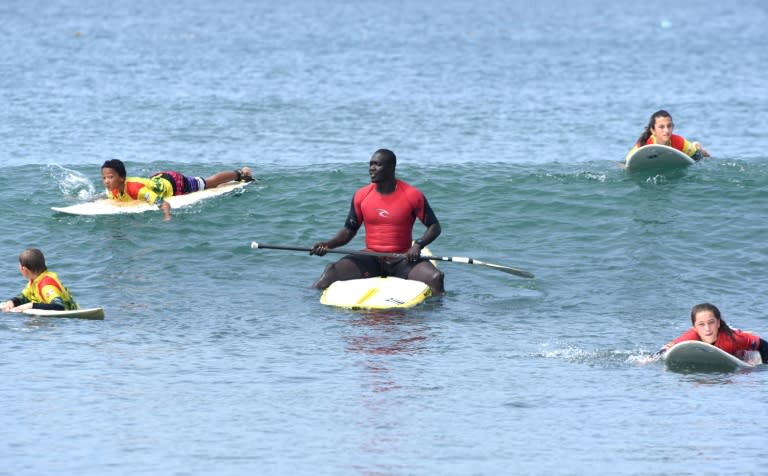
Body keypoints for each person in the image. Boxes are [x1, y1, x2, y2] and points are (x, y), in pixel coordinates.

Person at [310, 149, 445, 295]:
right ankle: (309, 307)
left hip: (401, 259)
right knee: (331, 272)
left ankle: (438, 314)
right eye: (371, 164)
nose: (371, 168)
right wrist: (328, 245)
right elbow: (348, 231)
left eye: (377, 164)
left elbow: (434, 226)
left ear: (391, 167)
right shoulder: (361, 195)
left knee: (435, 278)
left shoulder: (412, 195)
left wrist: (418, 245)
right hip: (371, 258)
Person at [100, 159, 253, 221]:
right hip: (158, 178)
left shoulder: (137, 190)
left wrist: (167, 216)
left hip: (175, 184)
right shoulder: (112, 189)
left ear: (121, 178)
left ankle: (241, 173)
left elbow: (163, 203)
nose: (106, 181)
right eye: (104, 178)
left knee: (209, 183)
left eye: (110, 177)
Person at [652, 303, 767, 363]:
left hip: (737, 345)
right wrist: (650, 359)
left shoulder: (733, 339)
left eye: (711, 322)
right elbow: (668, 347)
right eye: (701, 324)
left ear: (718, 323)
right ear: (695, 327)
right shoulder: (691, 336)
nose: (707, 329)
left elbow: (762, 344)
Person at [2, 248, 79, 312]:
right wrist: (11, 301)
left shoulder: (46, 284)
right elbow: (24, 297)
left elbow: (59, 306)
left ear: (24, 269)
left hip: (67, 319)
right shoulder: (34, 281)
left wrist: (31, 305)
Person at [624, 110, 710, 165]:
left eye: (669, 126)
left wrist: (701, 154)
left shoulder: (678, 141)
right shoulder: (644, 145)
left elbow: (697, 158)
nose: (666, 130)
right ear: (653, 130)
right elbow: (627, 163)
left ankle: (696, 145)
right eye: (661, 127)